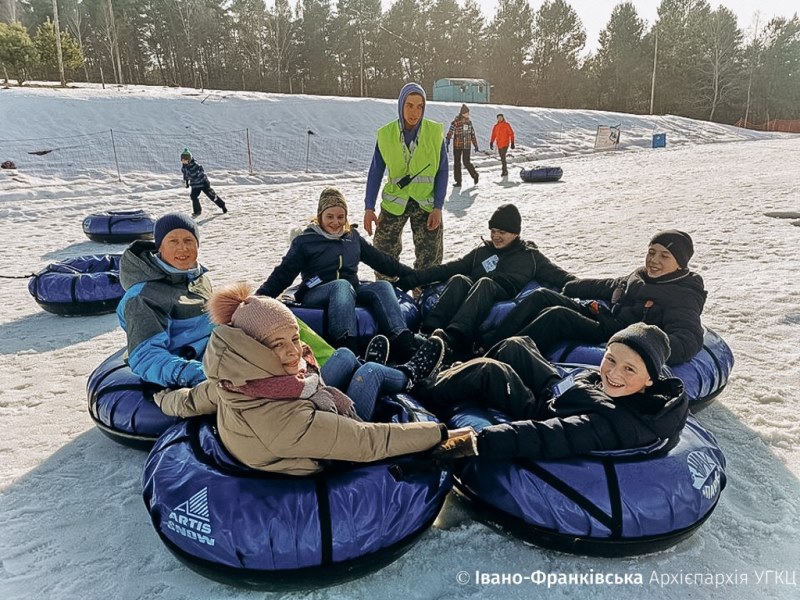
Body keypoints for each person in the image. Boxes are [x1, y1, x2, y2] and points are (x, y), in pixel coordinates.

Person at [153, 282, 477, 476]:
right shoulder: (283, 422)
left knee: (346, 357)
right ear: (251, 350)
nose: (294, 352)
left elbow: (191, 399)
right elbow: (368, 441)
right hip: (320, 445)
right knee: (368, 374)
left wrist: (162, 398)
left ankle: (374, 371)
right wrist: (439, 432)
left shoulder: (235, 380)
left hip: (300, 401)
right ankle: (406, 377)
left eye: (293, 338)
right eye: (276, 345)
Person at [416, 324, 689, 461]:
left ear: (650, 380)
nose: (614, 373)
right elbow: (594, 383)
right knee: (517, 344)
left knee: (490, 371)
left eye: (629, 369)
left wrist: (465, 444)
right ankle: (456, 371)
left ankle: (419, 387)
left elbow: (542, 436)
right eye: (611, 359)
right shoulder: (638, 392)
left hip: (544, 411)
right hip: (565, 391)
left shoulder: (610, 425)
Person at [482, 230, 706, 365]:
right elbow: (609, 285)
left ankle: (500, 359)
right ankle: (488, 346)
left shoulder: (683, 295)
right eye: (651, 252)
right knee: (542, 296)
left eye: (664, 256)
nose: (654, 260)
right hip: (606, 318)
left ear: (680, 263)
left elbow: (689, 339)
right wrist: (572, 287)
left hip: (620, 335)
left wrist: (644, 345)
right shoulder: (640, 276)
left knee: (557, 317)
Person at [256, 187, 421, 360]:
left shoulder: (352, 238)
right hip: (316, 293)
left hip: (351, 289)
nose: (336, 222)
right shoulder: (306, 241)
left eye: (340, 217)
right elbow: (284, 273)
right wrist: (261, 296)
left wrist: (412, 274)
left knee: (383, 286)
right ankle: (347, 347)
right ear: (320, 216)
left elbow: (381, 261)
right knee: (341, 286)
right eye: (330, 216)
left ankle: (403, 342)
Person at [397, 204, 574, 356]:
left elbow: (560, 276)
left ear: (515, 233)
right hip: (476, 293)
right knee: (459, 278)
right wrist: (411, 280)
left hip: (503, 293)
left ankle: (454, 338)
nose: (495, 236)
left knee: (485, 283)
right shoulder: (483, 252)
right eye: (493, 231)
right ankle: (427, 333)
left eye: (501, 232)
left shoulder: (530, 256)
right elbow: (448, 268)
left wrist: (590, 290)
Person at [117, 212, 214, 388]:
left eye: (188, 240)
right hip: (186, 369)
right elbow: (147, 356)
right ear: (159, 247)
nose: (183, 248)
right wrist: (198, 374)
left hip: (215, 353)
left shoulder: (198, 279)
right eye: (173, 241)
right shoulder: (143, 296)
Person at [363, 82, 447, 274]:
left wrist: (438, 207)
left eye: (420, 106)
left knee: (430, 256)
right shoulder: (386, 134)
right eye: (409, 105)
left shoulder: (434, 133)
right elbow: (375, 171)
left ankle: (425, 294)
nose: (414, 112)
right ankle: (388, 293)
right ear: (401, 105)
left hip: (426, 203)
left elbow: (442, 170)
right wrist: (369, 207)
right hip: (395, 202)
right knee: (383, 252)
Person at [180, 148, 227, 218]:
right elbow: (185, 175)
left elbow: (201, 172)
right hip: (195, 185)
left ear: (189, 160)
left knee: (211, 195)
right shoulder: (184, 168)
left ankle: (222, 206)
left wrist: (196, 176)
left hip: (203, 183)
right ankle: (197, 211)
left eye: (185, 160)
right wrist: (186, 182)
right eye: (182, 160)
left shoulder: (196, 165)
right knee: (193, 196)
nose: (183, 162)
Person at [446, 104, 479, 187]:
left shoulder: (469, 122)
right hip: (457, 145)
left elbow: (472, 134)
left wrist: (475, 144)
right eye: (467, 113)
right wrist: (448, 139)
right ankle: (458, 181)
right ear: (463, 113)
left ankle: (475, 175)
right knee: (457, 163)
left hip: (467, 145)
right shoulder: (456, 122)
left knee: (466, 162)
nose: (468, 114)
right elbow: (451, 131)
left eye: (468, 113)